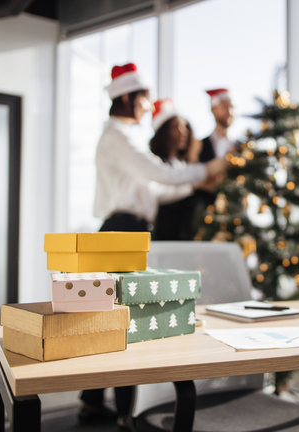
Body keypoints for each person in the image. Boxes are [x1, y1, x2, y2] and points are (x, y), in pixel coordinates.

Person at [81, 63, 226, 427]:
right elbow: (160, 174)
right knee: (127, 323)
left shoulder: (119, 135)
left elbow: (158, 191)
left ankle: (99, 403)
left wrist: (194, 184)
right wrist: (208, 169)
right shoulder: (119, 135)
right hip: (121, 232)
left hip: (127, 231)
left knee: (114, 321)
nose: (149, 105)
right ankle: (125, 413)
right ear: (128, 97)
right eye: (145, 98)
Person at [150, 99, 210, 240]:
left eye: (184, 127)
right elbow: (158, 194)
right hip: (165, 235)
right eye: (175, 127)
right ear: (163, 132)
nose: (183, 132)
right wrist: (193, 186)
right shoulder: (154, 163)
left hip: (188, 236)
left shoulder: (186, 165)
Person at [194, 88, 236, 212]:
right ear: (213, 110)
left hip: (235, 214)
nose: (229, 111)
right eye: (224, 106)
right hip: (205, 215)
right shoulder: (198, 145)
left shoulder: (241, 147)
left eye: (232, 107)